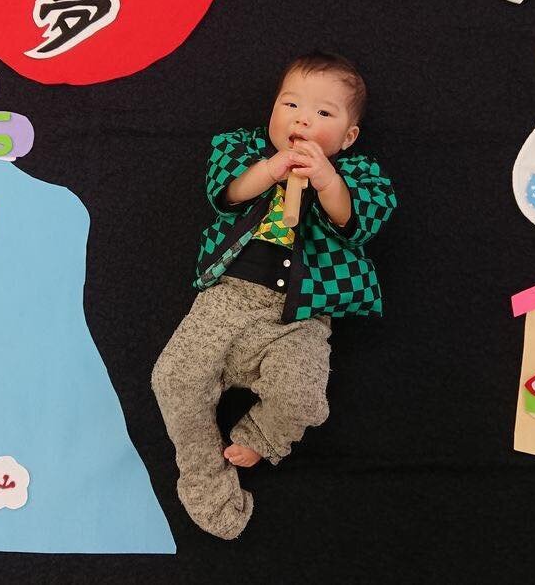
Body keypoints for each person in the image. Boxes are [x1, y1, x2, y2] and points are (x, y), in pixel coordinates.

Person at [151, 50, 397, 539]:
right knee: (172, 379)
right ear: (272, 112)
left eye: (323, 112)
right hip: (228, 299)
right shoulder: (243, 149)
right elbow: (229, 194)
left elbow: (356, 221)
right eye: (291, 104)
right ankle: (204, 475)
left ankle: (261, 434)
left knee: (304, 395)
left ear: (348, 137)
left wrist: (327, 180)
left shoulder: (360, 177)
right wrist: (271, 169)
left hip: (299, 318)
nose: (302, 119)